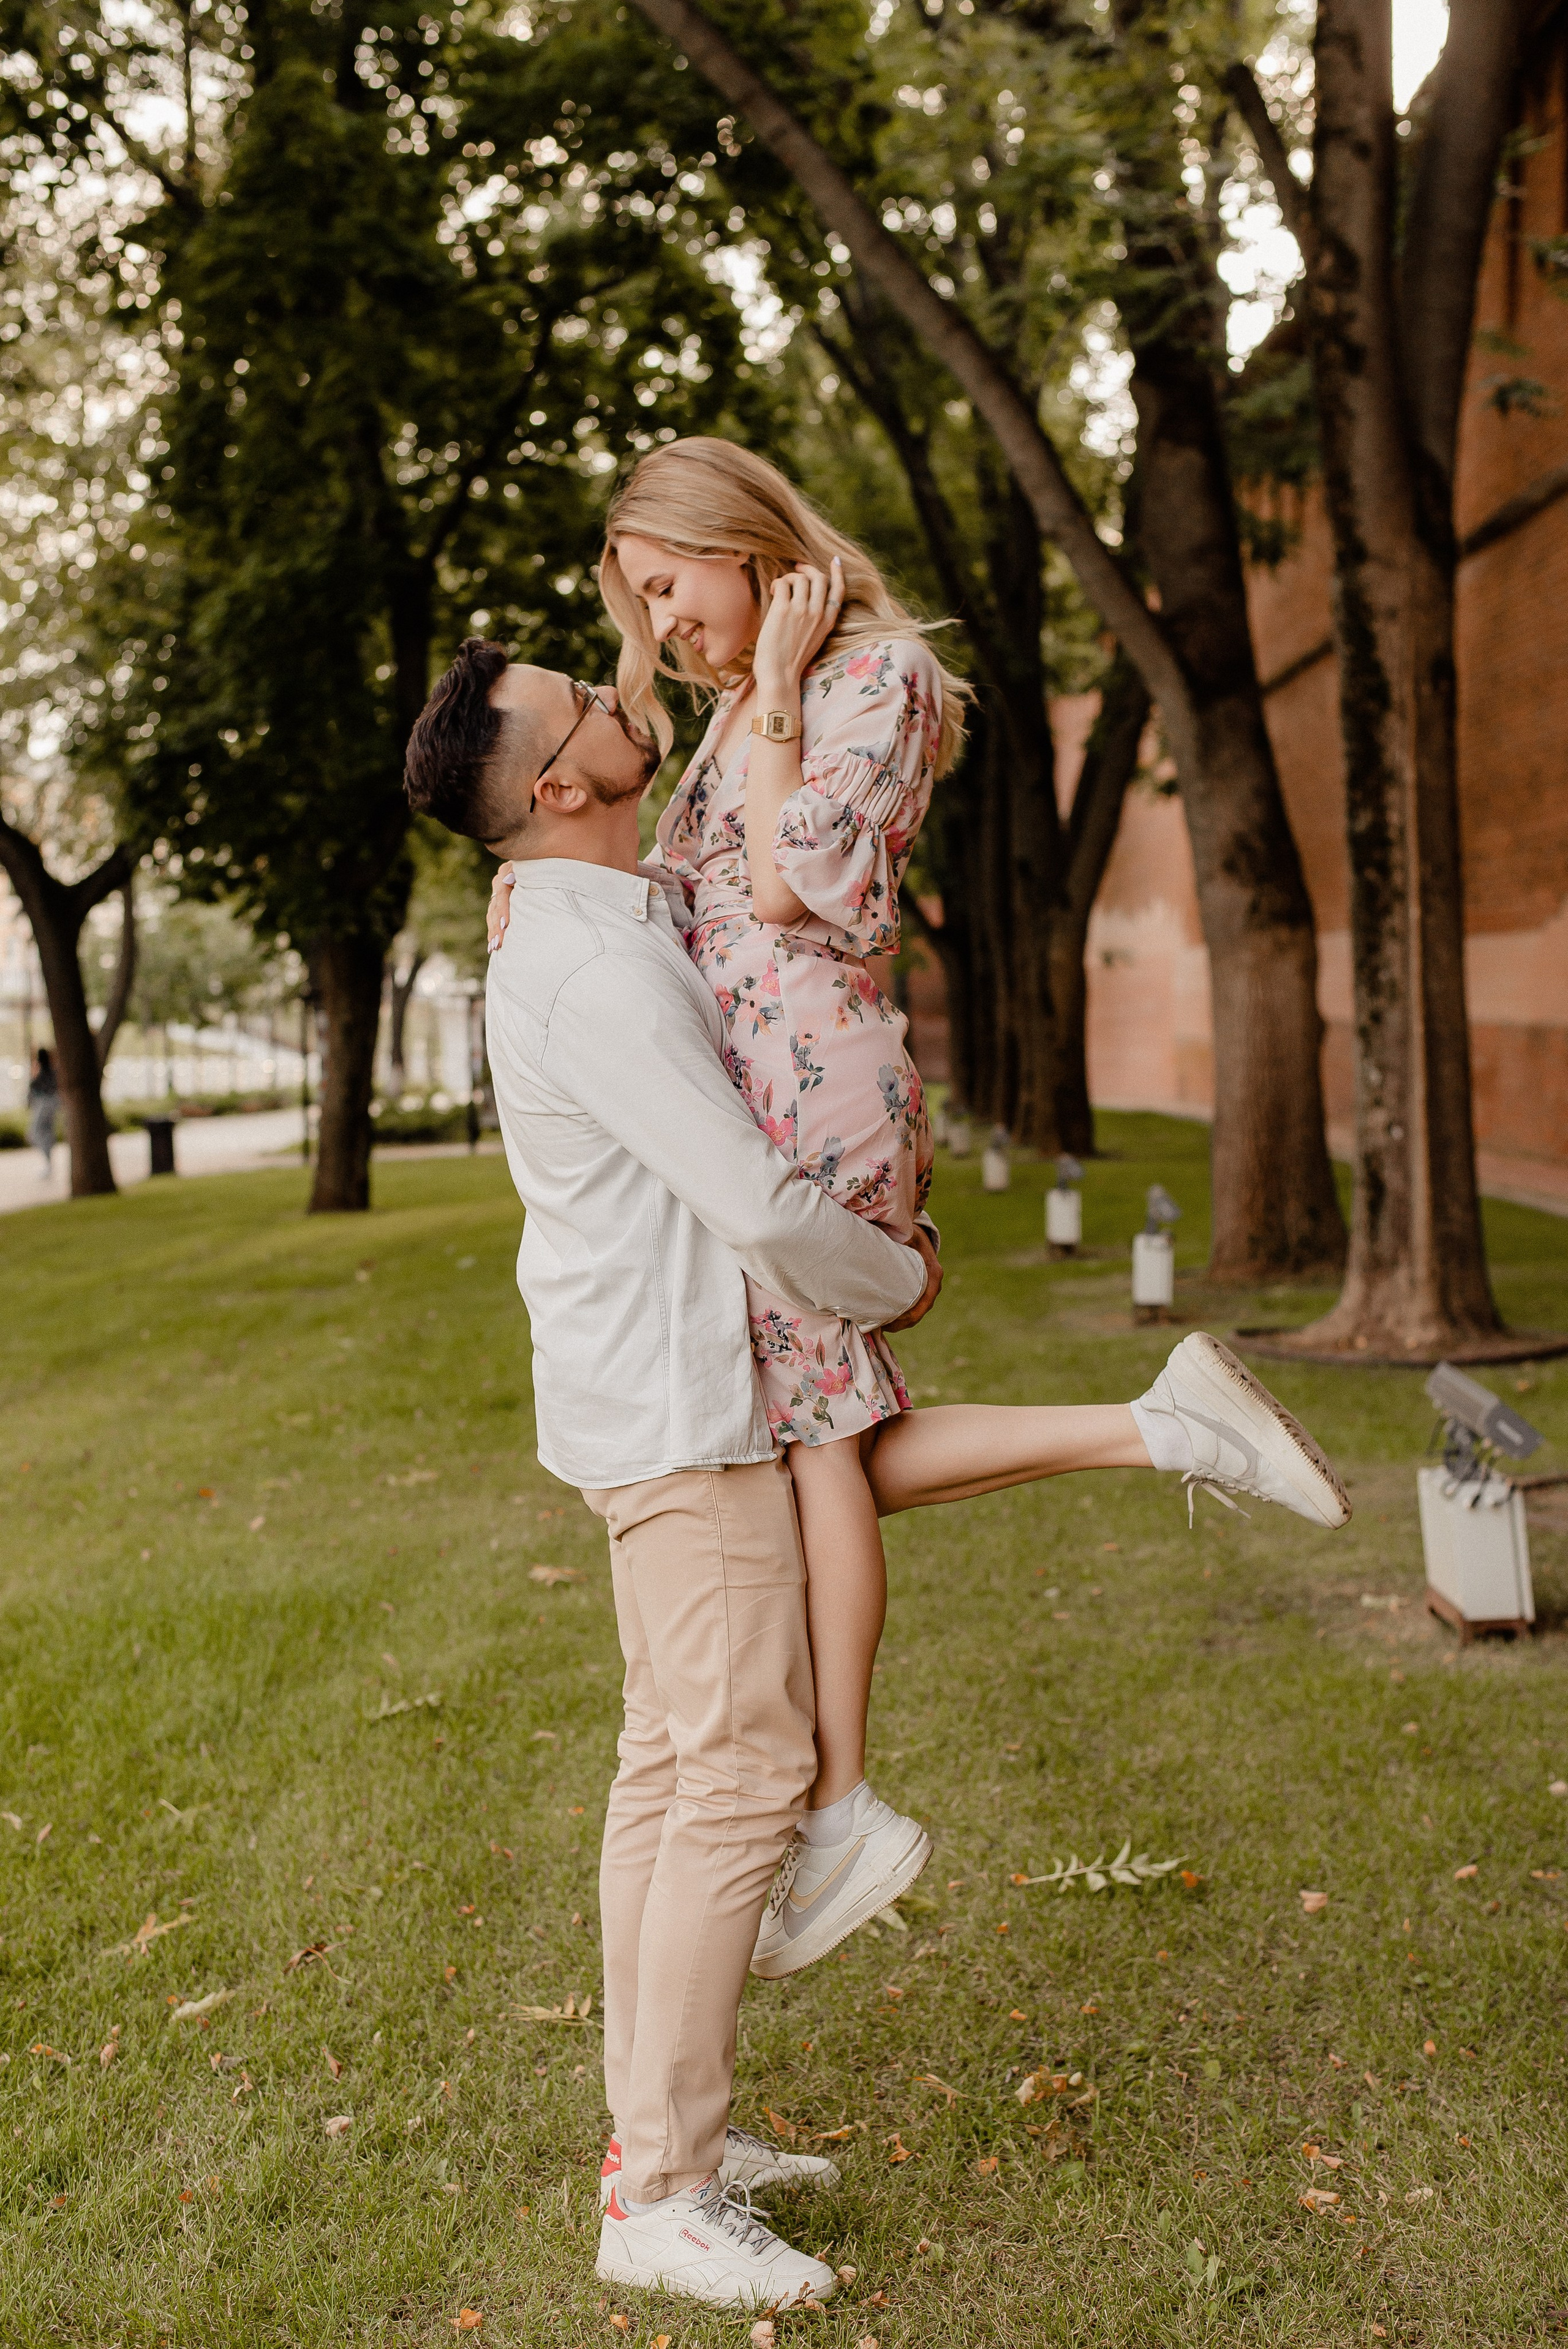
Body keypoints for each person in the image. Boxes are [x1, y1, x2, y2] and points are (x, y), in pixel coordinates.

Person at [404, 633, 1350, 2315]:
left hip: (668, 1398)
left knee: (664, 1772)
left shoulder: (587, 917)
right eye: (593, 704)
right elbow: (760, 1210)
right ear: (557, 786)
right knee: (740, 1780)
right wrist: (891, 1279)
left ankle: (657, 2141)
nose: (629, 702)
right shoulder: (589, 969)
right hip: (685, 1413)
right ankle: (668, 2194)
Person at [26, 1046, 59, 1180]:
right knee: (43, 1134)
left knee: (34, 1134)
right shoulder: (52, 1072)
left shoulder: (43, 1073)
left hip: (44, 1105)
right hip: (50, 1104)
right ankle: (48, 1163)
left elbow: (34, 1088)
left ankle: (48, 1164)